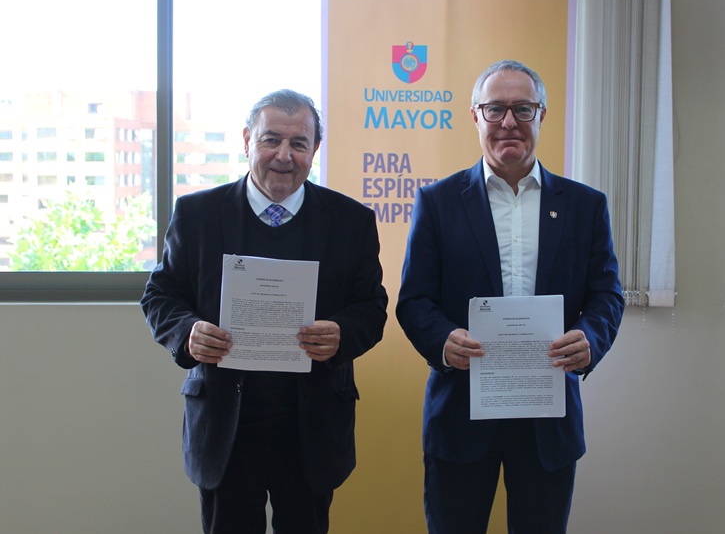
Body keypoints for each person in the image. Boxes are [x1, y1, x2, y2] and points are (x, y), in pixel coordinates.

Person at [141, 89, 388, 534]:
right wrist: (188, 331)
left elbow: (372, 306)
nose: (284, 155)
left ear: (315, 148)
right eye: (271, 140)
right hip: (226, 424)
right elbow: (160, 294)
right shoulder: (197, 214)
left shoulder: (351, 220)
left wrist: (342, 333)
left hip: (310, 426)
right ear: (246, 141)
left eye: (298, 143)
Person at [396, 60, 624, 533]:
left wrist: (591, 337)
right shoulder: (437, 203)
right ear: (475, 116)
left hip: (547, 417)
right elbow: (414, 300)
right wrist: (442, 341)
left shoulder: (585, 205)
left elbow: (606, 294)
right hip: (460, 413)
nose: (508, 122)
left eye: (522, 108)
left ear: (542, 115)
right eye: (495, 108)